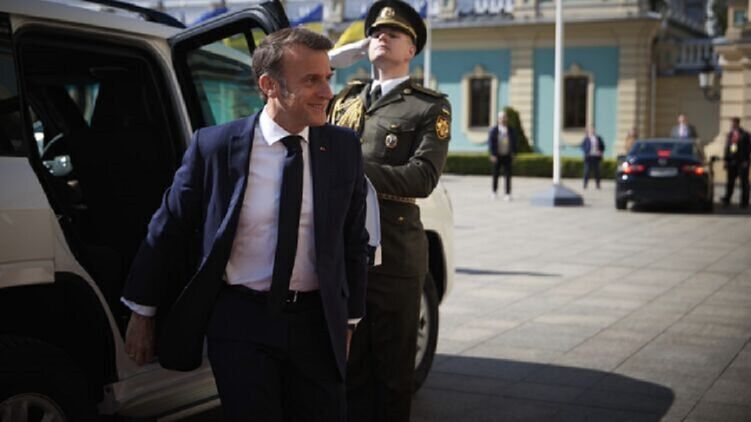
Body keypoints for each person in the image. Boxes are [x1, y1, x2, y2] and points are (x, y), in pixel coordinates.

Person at [121, 28, 369, 421]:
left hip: (317, 323)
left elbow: (354, 239)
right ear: (269, 85)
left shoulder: (342, 147)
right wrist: (142, 311)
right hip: (241, 322)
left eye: (328, 78)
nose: (327, 92)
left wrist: (349, 319)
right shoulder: (214, 147)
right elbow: (168, 228)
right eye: (311, 80)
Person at [327, 1, 452, 420]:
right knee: (350, 368)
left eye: (393, 34)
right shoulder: (345, 98)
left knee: (393, 374)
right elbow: (293, 95)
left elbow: (422, 177)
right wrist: (332, 60)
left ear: (411, 50)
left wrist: (351, 169)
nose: (382, 36)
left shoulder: (429, 106)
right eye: (376, 32)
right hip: (344, 248)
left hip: (394, 254)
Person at [487, 110, 517, 201]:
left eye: (504, 117)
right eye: (501, 118)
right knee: (495, 175)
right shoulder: (494, 130)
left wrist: (514, 153)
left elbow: (514, 143)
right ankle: (494, 192)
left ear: (507, 119)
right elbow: (491, 143)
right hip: (497, 156)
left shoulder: (511, 130)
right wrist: (492, 154)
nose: (503, 119)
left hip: (507, 155)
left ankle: (507, 193)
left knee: (508, 175)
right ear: (498, 119)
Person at [721, 117, 751, 208]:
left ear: (737, 123)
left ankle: (744, 201)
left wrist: (746, 160)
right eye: (731, 123)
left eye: (733, 123)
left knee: (744, 182)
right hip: (732, 161)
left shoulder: (745, 134)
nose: (732, 125)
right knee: (730, 182)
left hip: (742, 162)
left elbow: (748, 148)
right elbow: (727, 148)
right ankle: (727, 199)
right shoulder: (730, 135)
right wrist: (726, 160)